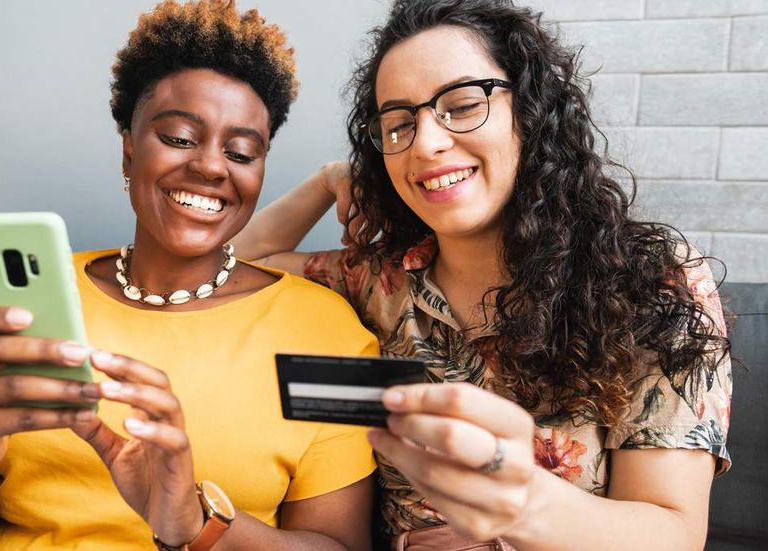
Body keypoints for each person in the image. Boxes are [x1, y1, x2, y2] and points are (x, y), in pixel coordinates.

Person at [234, 0, 732, 549]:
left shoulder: (651, 281)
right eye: (398, 123)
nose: (425, 143)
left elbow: (674, 533)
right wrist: (330, 179)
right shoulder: (375, 283)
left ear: (532, 111)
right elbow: (228, 266)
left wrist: (517, 515)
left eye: (463, 105)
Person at [0, 1, 379, 549]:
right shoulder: (26, 302)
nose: (212, 166)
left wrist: (197, 523)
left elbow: (341, 546)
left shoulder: (329, 332)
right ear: (129, 147)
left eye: (241, 151)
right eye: (180, 138)